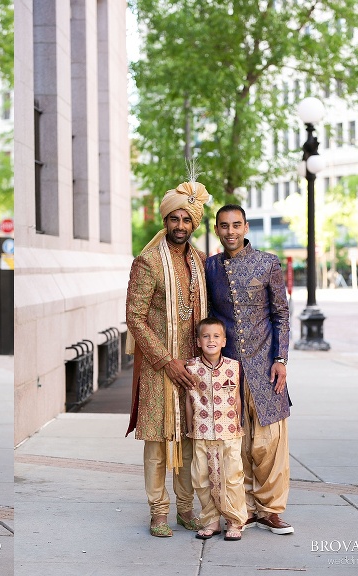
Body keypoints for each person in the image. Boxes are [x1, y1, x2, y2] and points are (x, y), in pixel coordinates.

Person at [125, 179, 211, 537]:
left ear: (194, 223)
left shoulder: (201, 261)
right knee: (159, 442)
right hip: (161, 367)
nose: (180, 226)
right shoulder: (147, 262)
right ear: (165, 220)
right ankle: (158, 511)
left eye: (186, 220)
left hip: (194, 365)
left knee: (191, 439)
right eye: (174, 218)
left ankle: (185, 509)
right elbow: (134, 316)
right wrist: (165, 360)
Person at [205, 204, 293, 535]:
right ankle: (241, 507)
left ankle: (270, 509)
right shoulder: (210, 267)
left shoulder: (268, 263)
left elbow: (281, 314)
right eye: (224, 226)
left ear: (245, 228)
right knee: (234, 441)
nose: (230, 231)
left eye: (236, 225)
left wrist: (280, 359)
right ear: (216, 230)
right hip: (227, 367)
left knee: (270, 440)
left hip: (266, 364)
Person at [185, 317, 247, 541]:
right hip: (201, 431)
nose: (211, 340)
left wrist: (238, 424)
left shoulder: (233, 366)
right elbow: (188, 400)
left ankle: (234, 520)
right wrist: (190, 427)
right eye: (206, 336)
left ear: (223, 341)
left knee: (231, 477)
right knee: (202, 477)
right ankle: (211, 520)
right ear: (199, 341)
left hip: (229, 432)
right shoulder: (191, 367)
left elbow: (237, 398)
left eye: (216, 336)